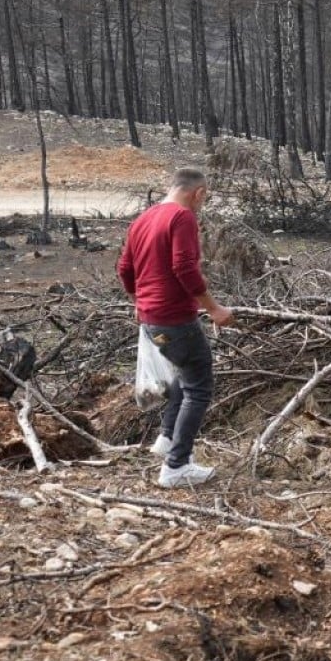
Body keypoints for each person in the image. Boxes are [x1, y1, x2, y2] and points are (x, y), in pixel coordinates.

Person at [117, 168, 235, 487]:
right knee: (199, 387)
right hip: (175, 318)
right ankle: (176, 466)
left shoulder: (144, 219)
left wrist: (139, 303)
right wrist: (214, 309)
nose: (203, 203)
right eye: (204, 197)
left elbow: (125, 269)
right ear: (198, 193)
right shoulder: (182, 218)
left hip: (152, 317)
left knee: (186, 373)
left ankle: (167, 438)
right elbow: (184, 267)